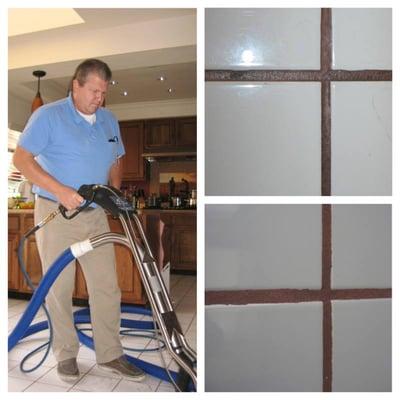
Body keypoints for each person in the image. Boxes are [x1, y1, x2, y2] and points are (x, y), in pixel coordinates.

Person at [13, 59, 145, 382]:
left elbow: (117, 157)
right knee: (59, 288)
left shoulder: (109, 120)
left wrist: (114, 190)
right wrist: (60, 190)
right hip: (57, 213)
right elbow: (21, 158)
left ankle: (110, 354)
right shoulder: (47, 116)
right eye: (94, 91)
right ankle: (66, 355)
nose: (99, 98)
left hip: (95, 214)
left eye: (103, 92)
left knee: (106, 286)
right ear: (76, 85)